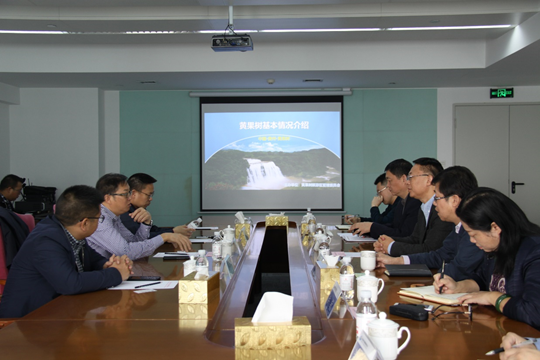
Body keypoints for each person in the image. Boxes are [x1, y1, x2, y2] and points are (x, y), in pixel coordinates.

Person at [0, 185, 132, 318]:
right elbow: (71, 284)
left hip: (58, 312)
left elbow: (93, 259)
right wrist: (116, 273)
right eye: (99, 218)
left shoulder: (69, 231)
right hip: (25, 322)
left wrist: (106, 264)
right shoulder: (46, 241)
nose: (99, 222)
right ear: (84, 223)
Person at [434, 187, 540, 331]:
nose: (471, 240)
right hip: (503, 329)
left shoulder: (534, 252)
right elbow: (483, 279)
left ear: (495, 228)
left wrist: (494, 298)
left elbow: (534, 312)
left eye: (473, 234)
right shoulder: (497, 247)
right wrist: (459, 287)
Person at [376, 166, 484, 281]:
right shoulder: (458, 227)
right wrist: (397, 261)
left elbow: (461, 269)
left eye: (437, 198)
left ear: (454, 200)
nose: (434, 204)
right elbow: (440, 256)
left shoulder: (475, 230)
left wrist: (436, 277)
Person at [87, 173, 191, 260]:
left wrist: (145, 224)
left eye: (130, 193)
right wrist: (165, 236)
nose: (130, 198)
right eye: (125, 194)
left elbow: (135, 242)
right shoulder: (99, 219)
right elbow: (126, 252)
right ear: (108, 198)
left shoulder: (114, 216)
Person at [374, 157, 454, 256]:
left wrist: (391, 246)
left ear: (428, 180)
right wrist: (387, 241)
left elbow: (430, 249)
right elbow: (415, 239)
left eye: (411, 177)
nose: (407, 182)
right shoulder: (424, 206)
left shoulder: (442, 208)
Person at [350, 159, 421, 238]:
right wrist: (369, 229)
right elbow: (392, 226)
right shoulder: (402, 202)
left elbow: (404, 234)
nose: (388, 186)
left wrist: (372, 227)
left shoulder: (416, 202)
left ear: (403, 179)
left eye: (390, 181)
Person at [120, 173, 195, 238]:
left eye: (152, 195)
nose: (150, 199)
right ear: (133, 193)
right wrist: (172, 232)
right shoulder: (125, 213)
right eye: (148, 195)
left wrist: (174, 230)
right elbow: (142, 238)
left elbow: (153, 230)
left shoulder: (138, 209)